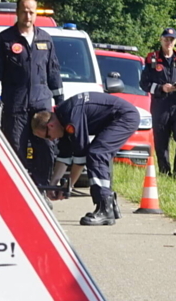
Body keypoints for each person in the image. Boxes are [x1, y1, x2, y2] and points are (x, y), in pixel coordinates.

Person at [0, 0, 64, 187]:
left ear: (36, 14)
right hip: (16, 105)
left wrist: (60, 101)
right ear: (17, 13)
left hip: (42, 105)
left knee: (45, 148)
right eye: (24, 11)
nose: (28, 16)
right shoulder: (4, 40)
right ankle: (16, 191)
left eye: (31, 12)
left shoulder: (45, 39)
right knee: (15, 149)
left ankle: (42, 190)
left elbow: (53, 71)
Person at [31, 92, 139, 226]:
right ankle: (110, 206)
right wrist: (53, 185)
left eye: (48, 136)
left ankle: (105, 209)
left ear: (50, 125)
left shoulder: (70, 118)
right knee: (96, 153)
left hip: (125, 117)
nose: (51, 139)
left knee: (96, 154)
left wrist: (69, 186)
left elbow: (80, 157)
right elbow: (65, 156)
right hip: (117, 117)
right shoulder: (62, 120)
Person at [140, 27, 176, 177]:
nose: (168, 42)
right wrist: (161, 88)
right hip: (160, 104)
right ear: (161, 40)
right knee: (161, 142)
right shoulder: (152, 59)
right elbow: (144, 84)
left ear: (175, 41)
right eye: (166, 39)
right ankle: (164, 173)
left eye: (172, 40)